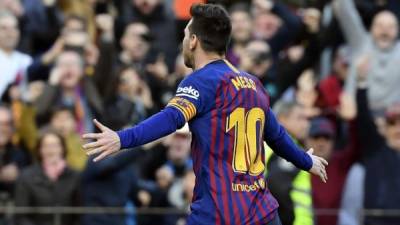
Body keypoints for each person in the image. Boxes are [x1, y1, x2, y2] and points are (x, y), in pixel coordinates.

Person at [82, 4, 328, 225]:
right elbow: (276, 135)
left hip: (220, 213)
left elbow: (172, 118)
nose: (183, 41)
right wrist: (306, 161)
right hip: (263, 213)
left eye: (186, 34)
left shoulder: (201, 82)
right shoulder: (253, 84)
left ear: (193, 41)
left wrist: (122, 139)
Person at [15, 131, 80, 225]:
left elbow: (80, 214)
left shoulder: (75, 176)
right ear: (39, 150)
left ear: (63, 149)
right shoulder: (26, 176)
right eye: (46, 146)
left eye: (55, 145)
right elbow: (21, 216)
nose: (50, 150)